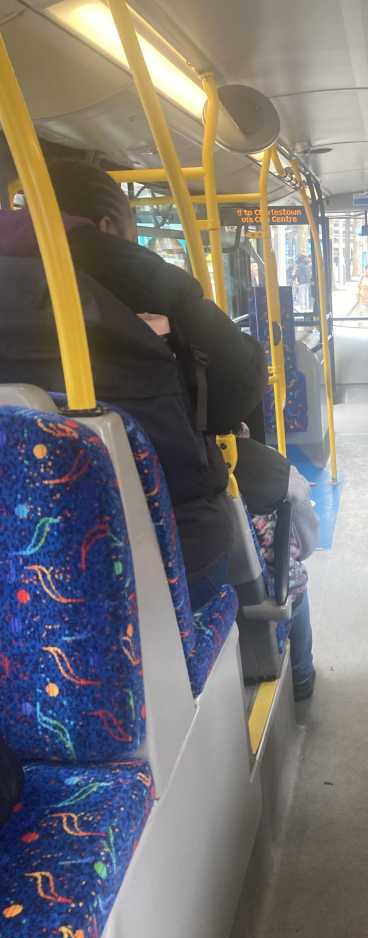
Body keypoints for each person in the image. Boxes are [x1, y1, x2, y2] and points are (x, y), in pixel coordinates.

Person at [0, 159, 267, 608]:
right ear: (106, 225)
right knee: (264, 504)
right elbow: (237, 386)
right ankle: (286, 642)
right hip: (163, 549)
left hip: (15, 563)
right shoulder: (143, 277)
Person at [235, 434, 319, 700]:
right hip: (268, 585)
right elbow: (306, 541)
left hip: (210, 585)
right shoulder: (268, 466)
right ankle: (302, 676)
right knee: (297, 590)